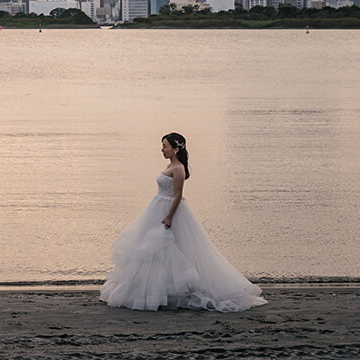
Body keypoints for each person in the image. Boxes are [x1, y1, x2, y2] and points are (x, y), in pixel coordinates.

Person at [99, 133, 266, 312]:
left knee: (170, 249)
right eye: (162, 145)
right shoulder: (170, 165)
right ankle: (161, 290)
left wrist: (169, 216)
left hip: (168, 209)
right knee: (154, 251)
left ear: (176, 149)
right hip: (157, 206)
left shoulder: (178, 168)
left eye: (165, 146)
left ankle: (169, 292)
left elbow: (178, 195)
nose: (162, 149)